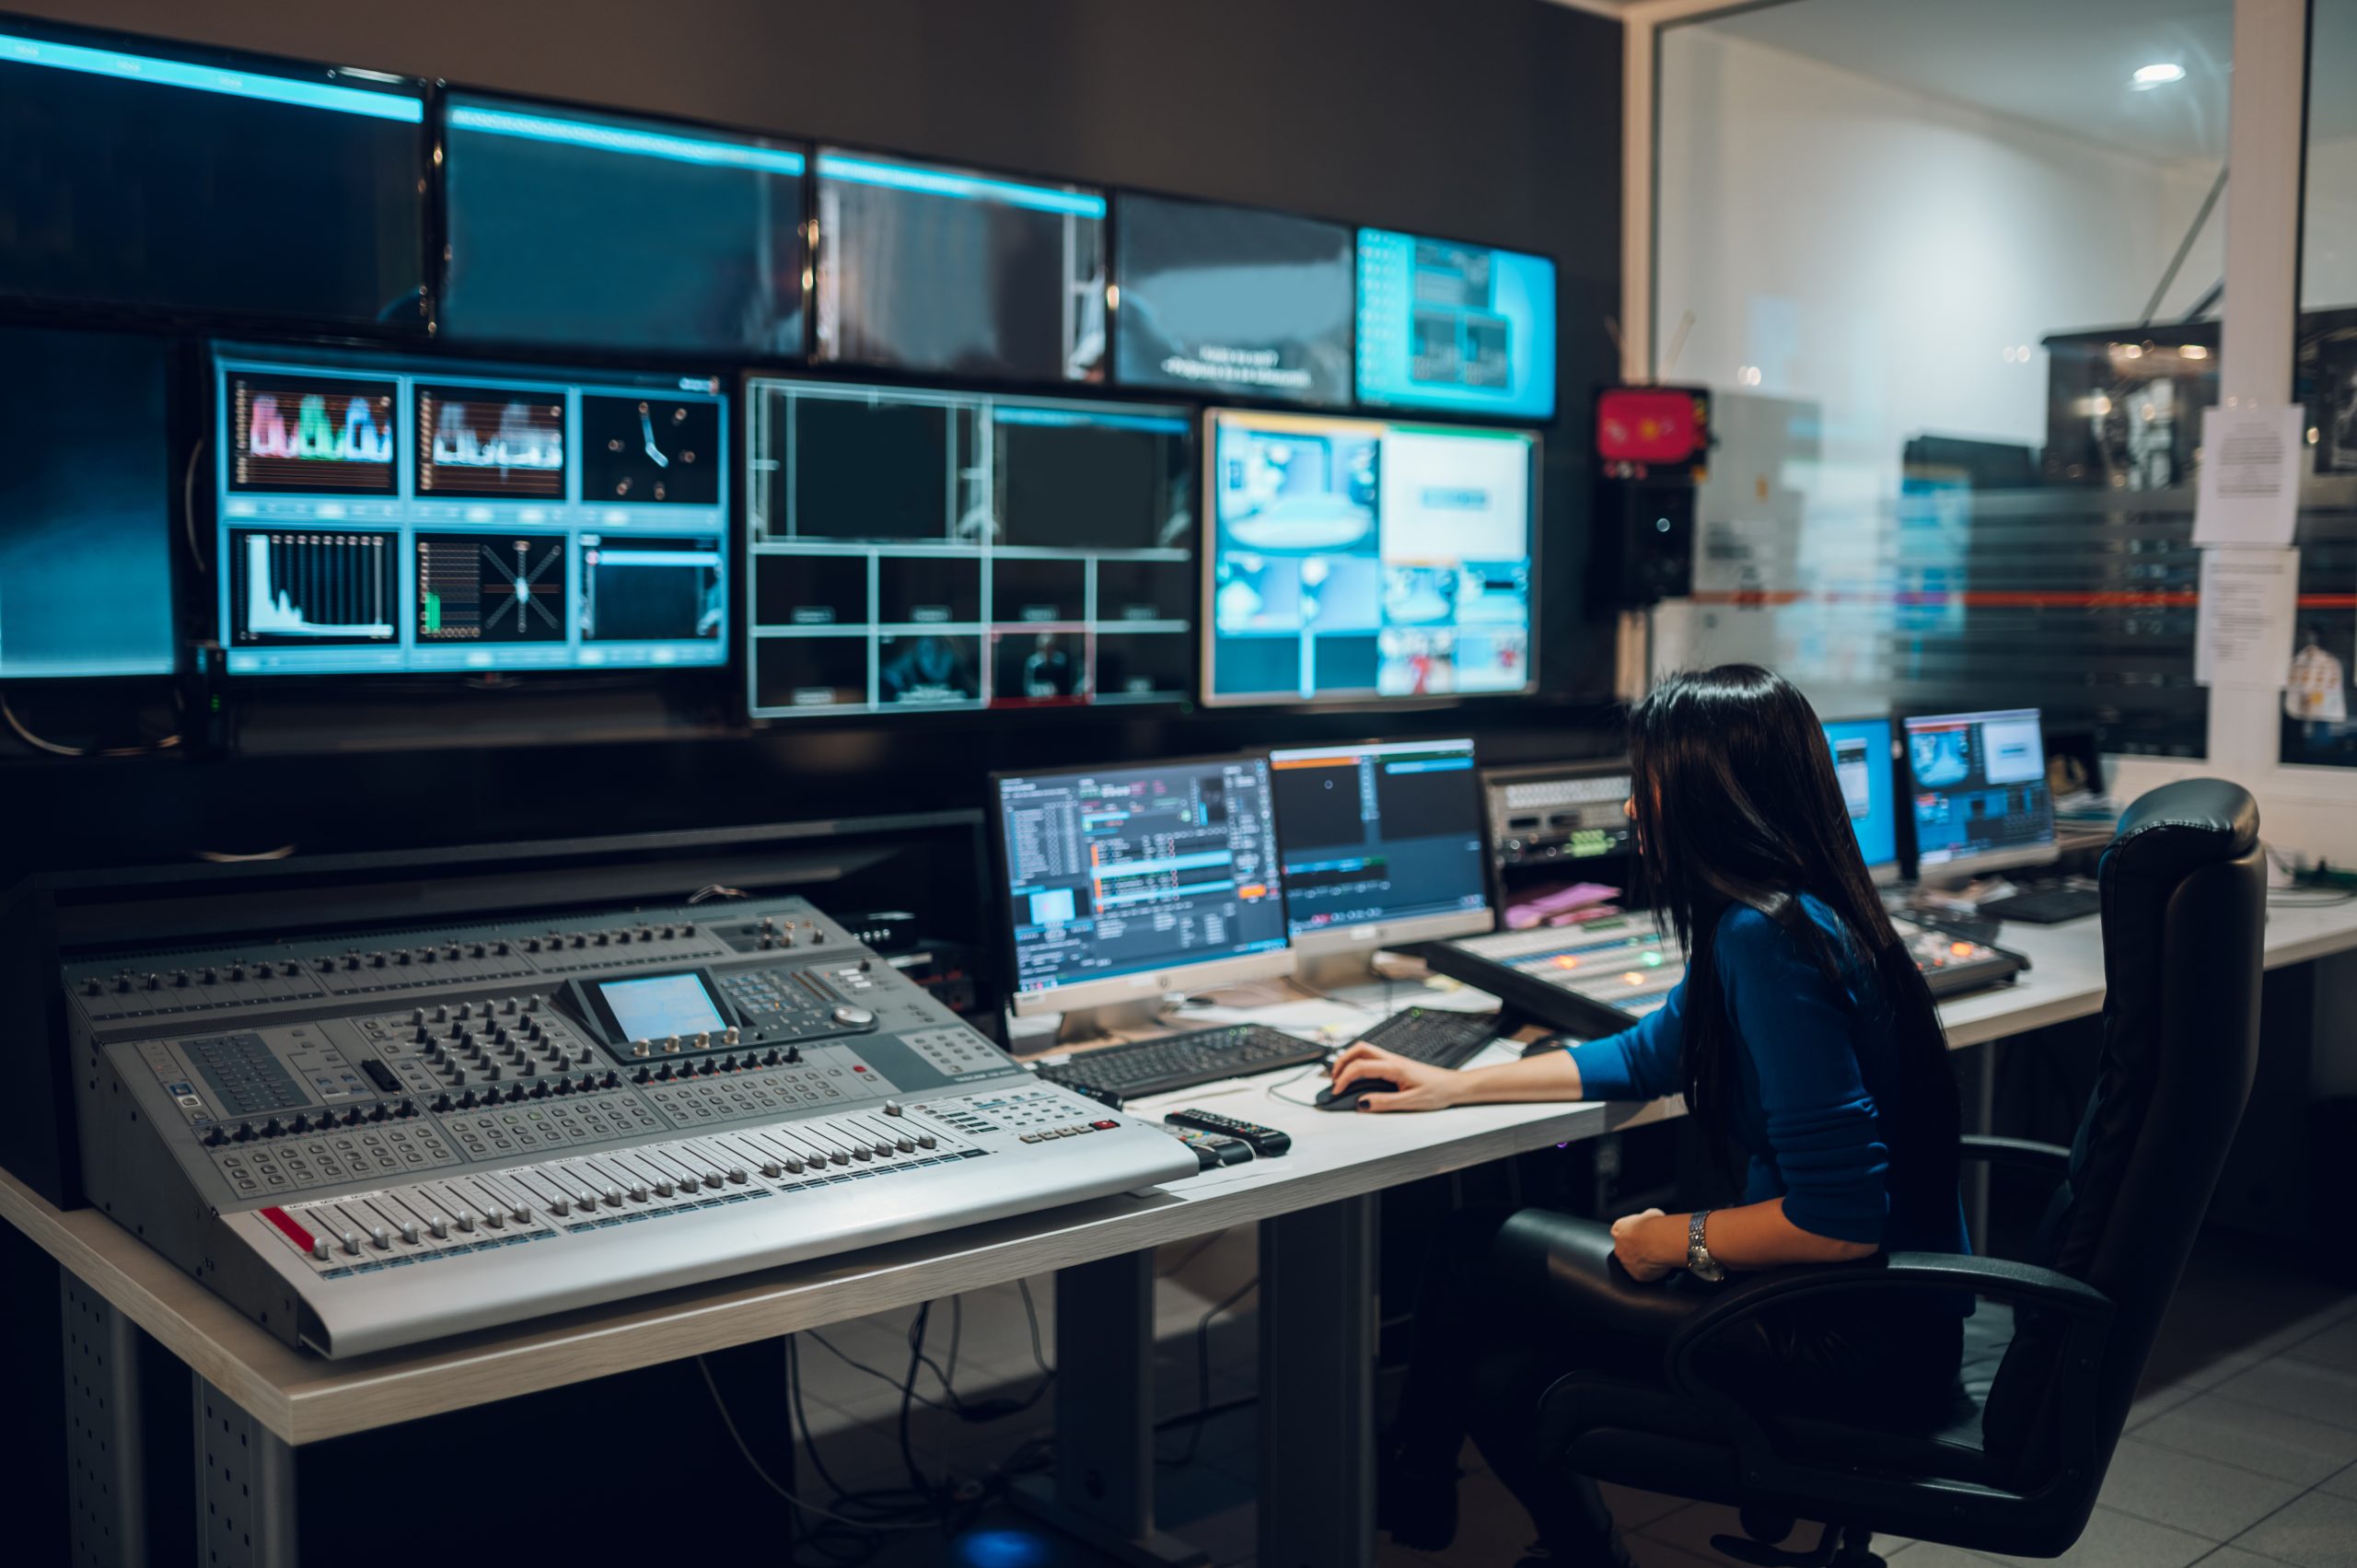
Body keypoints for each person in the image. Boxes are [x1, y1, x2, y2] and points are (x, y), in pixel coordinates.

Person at [1331, 665, 1968, 1567]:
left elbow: (1837, 1224)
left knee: (1472, 1251)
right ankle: (1448, 1492)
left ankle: (1422, 1483)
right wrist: (1449, 1082)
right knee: (1495, 1358)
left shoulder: (1765, 938)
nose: (1634, 810)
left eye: (1648, 783)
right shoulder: (1802, 914)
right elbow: (1646, 1054)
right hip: (1893, 1318)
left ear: (1714, 797)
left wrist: (1676, 1237)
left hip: (1838, 1333)